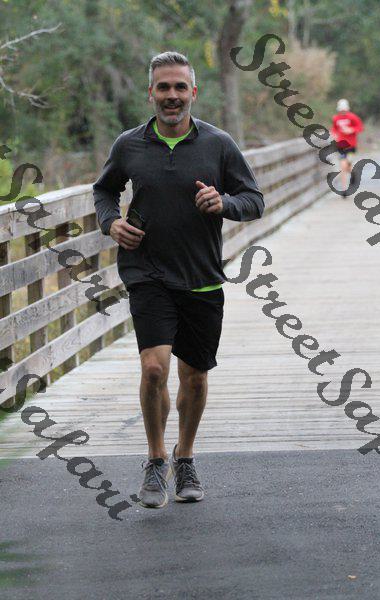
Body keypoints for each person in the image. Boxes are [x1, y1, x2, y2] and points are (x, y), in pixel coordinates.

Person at [93, 51, 264, 509]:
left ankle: (184, 456)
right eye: (164, 87)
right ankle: (155, 460)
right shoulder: (129, 145)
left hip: (201, 276)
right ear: (150, 92)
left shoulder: (218, 144)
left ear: (193, 93)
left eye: (180, 87)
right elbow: (104, 190)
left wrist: (224, 203)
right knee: (154, 368)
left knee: (195, 376)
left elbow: (254, 199)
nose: (172, 96)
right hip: (146, 272)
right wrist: (111, 222)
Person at [331, 98, 364, 196]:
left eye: (344, 109)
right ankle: (344, 188)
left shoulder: (353, 117)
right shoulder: (336, 118)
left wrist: (351, 130)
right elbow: (334, 129)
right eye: (341, 110)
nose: (342, 111)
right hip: (341, 145)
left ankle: (353, 173)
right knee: (342, 165)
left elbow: (360, 127)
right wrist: (334, 135)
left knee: (348, 165)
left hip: (351, 146)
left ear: (347, 109)